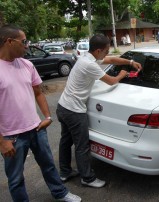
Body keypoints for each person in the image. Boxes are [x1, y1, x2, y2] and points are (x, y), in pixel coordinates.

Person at [0, 24, 81, 202]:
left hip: (36, 128)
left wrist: (48, 117)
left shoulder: (27, 65)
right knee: (15, 178)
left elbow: (38, 92)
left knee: (49, 165)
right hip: (11, 136)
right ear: (9, 41)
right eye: (24, 41)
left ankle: (60, 193)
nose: (27, 45)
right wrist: (2, 141)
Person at [56, 34, 142, 188]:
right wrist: (122, 73)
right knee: (82, 146)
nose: (107, 53)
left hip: (63, 106)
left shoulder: (86, 58)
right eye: (106, 50)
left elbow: (111, 60)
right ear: (97, 50)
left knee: (66, 141)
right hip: (74, 111)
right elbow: (111, 81)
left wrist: (130, 61)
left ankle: (64, 172)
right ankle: (87, 178)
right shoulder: (90, 65)